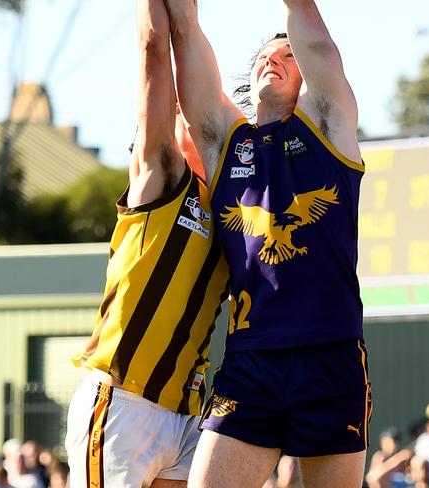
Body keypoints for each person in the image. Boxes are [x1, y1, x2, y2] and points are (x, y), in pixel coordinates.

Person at [164, 0, 370, 486]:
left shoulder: (329, 129)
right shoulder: (225, 144)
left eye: (287, 56)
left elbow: (316, 39)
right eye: (263, 58)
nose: (272, 60)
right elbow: (186, 34)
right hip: (250, 360)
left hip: (330, 353)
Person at [64, 1, 228, 487]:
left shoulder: (234, 206)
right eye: (178, 110)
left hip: (186, 414)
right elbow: (154, 50)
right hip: (124, 405)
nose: (187, 113)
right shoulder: (162, 173)